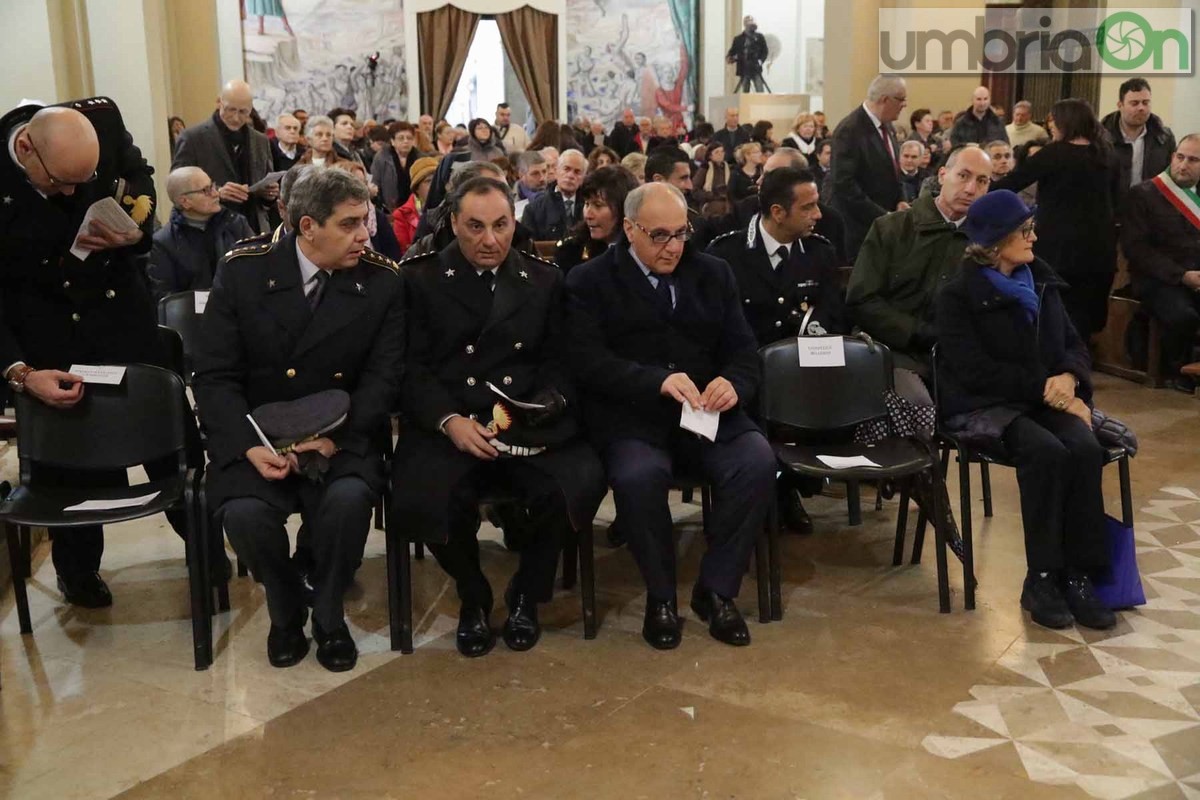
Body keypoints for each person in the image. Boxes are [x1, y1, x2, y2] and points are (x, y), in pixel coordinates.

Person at [194, 167, 403, 671]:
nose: (365, 235)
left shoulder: (380, 281)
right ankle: (285, 607)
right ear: (307, 226)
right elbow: (215, 375)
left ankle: (328, 613)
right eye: (350, 224)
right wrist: (248, 446)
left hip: (340, 435)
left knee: (349, 500)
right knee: (244, 514)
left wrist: (334, 442)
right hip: (259, 434)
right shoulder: (244, 271)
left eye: (366, 220)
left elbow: (383, 378)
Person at [391, 177, 606, 658]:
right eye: (475, 227)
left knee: (577, 481)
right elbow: (409, 367)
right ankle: (473, 593)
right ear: (452, 223)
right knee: (422, 494)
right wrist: (448, 419)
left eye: (501, 225)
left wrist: (550, 398)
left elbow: (563, 359)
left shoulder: (544, 279)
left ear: (515, 222)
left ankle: (527, 592)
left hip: (523, 418)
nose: (490, 240)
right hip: (450, 421)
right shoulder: (420, 279)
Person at [565, 183, 775, 650]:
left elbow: (744, 353)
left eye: (681, 233)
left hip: (707, 413)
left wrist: (733, 385)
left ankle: (716, 591)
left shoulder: (713, 273)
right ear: (629, 229)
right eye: (660, 235)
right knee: (639, 477)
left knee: (757, 459)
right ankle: (660, 597)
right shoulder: (589, 281)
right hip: (634, 418)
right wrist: (655, 380)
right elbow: (587, 363)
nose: (674, 246)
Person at [0, 98, 193, 607]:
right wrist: (20, 372)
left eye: (81, 180)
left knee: (170, 442)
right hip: (49, 334)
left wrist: (135, 231)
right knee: (72, 461)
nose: (72, 192)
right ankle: (78, 572)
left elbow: (140, 179)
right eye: (61, 182)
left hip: (120, 315)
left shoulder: (103, 118)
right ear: (25, 149)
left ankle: (205, 549)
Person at [936, 190, 1114, 631]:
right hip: (987, 405)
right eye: (1025, 230)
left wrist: (1070, 379)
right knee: (1046, 452)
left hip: (1044, 396)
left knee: (1085, 449)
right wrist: (1047, 389)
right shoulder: (957, 295)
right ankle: (1042, 578)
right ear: (995, 242)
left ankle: (1079, 576)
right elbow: (974, 371)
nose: (1034, 238)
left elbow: (1072, 344)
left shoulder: (1042, 280)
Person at [706, 167, 845, 536]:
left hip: (800, 374)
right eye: (809, 207)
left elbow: (832, 314)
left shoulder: (819, 253)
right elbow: (712, 326)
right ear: (778, 212)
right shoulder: (728, 254)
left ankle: (788, 490)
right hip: (743, 376)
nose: (819, 215)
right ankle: (757, 493)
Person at [846, 144, 992, 404]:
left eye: (982, 181)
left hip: (957, 359)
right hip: (891, 350)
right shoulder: (892, 228)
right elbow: (862, 300)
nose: (971, 189)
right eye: (963, 175)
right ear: (942, 175)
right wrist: (918, 331)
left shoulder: (989, 242)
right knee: (916, 404)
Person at [992, 98, 1120, 341]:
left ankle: (1055, 368)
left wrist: (980, 190)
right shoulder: (1107, 154)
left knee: (1054, 310)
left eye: (1053, 119)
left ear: (1065, 122)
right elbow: (1115, 200)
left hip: (1058, 246)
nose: (1051, 125)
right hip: (1098, 247)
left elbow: (1013, 183)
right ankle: (1079, 368)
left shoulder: (1053, 153)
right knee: (1083, 314)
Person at [1120, 134, 1200, 391]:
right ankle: (1178, 371)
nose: (1183, 165)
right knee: (1183, 315)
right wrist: (1182, 275)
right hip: (1158, 279)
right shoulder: (1144, 194)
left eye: (1193, 160)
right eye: (1180, 157)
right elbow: (1137, 249)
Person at [172, 80, 277, 234]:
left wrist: (269, 194)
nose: (236, 118)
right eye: (230, 109)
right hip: (209, 230)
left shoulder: (260, 141)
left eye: (243, 112)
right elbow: (177, 187)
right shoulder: (192, 138)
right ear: (218, 102)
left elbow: (265, 182)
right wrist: (218, 193)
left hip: (253, 228)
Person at [828, 74, 907, 261]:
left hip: (884, 224)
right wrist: (883, 215)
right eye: (902, 99)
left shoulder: (888, 126)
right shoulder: (850, 130)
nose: (905, 104)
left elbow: (894, 170)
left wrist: (900, 199)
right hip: (859, 229)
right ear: (885, 99)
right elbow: (844, 184)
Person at [149, 166, 254, 299]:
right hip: (194, 317)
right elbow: (165, 297)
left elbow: (257, 269)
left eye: (213, 186)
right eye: (206, 190)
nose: (216, 193)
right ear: (185, 202)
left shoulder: (236, 224)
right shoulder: (163, 242)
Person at [1100, 78, 1176, 209]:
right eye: (1134, 103)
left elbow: (1171, 178)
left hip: (1151, 213)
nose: (1141, 108)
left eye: (1145, 103)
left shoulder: (1164, 138)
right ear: (1120, 105)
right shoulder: (1101, 138)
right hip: (1110, 211)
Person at [555, 164, 640, 275]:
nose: (588, 215)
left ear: (623, 207)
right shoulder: (571, 251)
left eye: (598, 205)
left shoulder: (641, 248)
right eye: (587, 203)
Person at [522, 149, 586, 241]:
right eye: (566, 169)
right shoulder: (533, 210)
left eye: (577, 172)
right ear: (556, 171)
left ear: (583, 178)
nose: (571, 175)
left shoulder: (590, 207)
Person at [390, 156, 438, 255]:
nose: (434, 186)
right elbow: (405, 252)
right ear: (417, 188)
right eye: (428, 181)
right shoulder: (402, 215)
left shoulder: (449, 208)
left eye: (436, 180)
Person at [369, 121, 418, 212]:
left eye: (409, 138)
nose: (406, 141)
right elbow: (375, 183)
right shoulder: (381, 158)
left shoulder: (420, 158)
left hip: (416, 209)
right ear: (392, 141)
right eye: (401, 138)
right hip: (389, 210)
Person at [727, 15, 769, 94]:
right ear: (745, 24)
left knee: (760, 90)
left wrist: (760, 61)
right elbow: (732, 52)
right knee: (745, 93)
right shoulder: (738, 39)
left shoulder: (759, 37)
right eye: (748, 23)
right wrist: (732, 58)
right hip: (744, 69)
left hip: (756, 68)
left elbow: (765, 51)